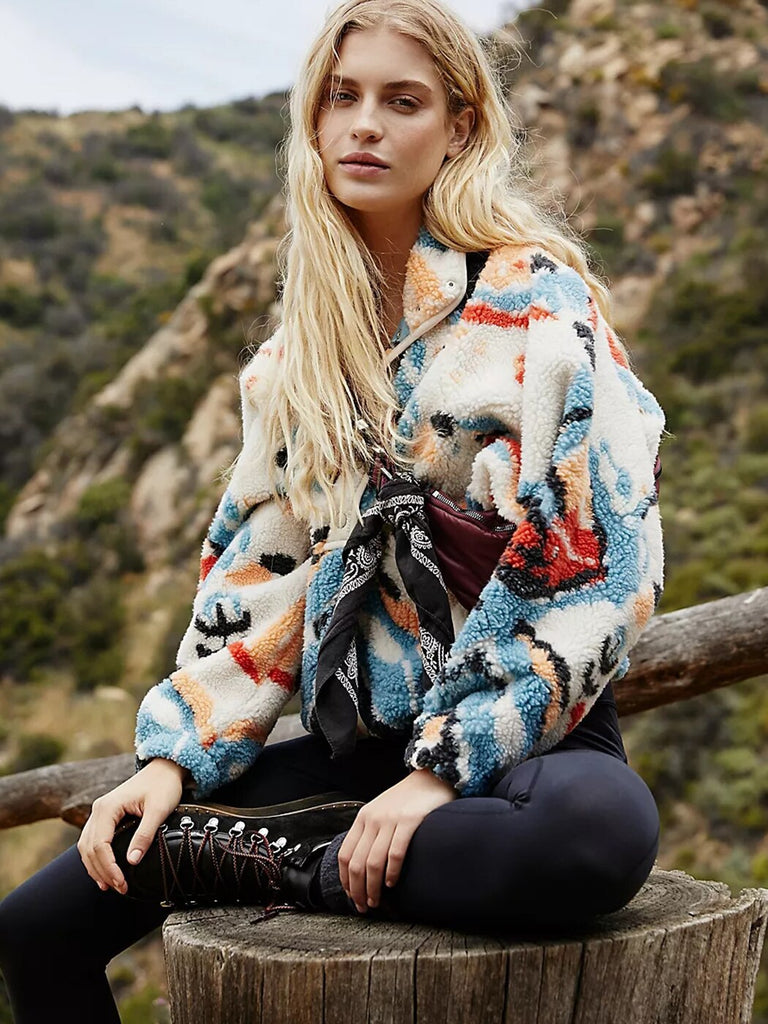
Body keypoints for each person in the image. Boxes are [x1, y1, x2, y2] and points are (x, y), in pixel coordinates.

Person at [0, 0, 667, 1020]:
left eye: (403, 102)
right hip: (355, 752)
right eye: (342, 98)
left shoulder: (542, 310)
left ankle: (274, 864)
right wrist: (175, 760)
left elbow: (599, 566)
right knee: (37, 926)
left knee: (595, 838)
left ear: (459, 127)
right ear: (312, 122)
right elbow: (259, 576)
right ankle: (282, 845)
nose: (365, 125)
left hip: (524, 745)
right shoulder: (297, 356)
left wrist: (440, 773)